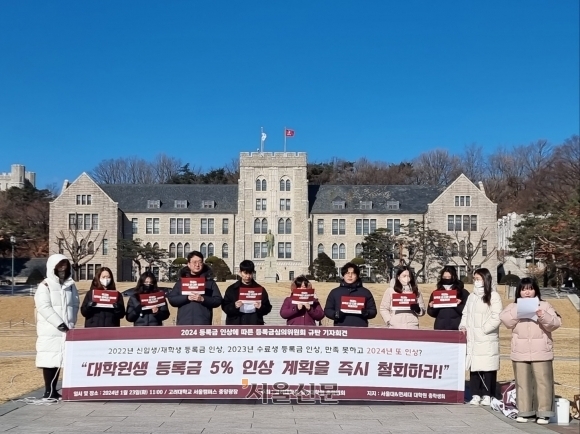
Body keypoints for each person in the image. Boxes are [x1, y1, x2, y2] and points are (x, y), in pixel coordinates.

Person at [500, 278, 561, 424]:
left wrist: (542, 315)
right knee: (522, 382)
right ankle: (525, 411)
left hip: (541, 350)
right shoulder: (512, 306)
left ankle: (544, 413)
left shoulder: (545, 305)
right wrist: (518, 310)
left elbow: (556, 323)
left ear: (535, 290)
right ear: (519, 292)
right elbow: (506, 321)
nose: (527, 292)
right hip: (520, 351)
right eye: (523, 289)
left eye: (530, 288)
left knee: (543, 382)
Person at [34, 253, 79, 400]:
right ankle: (48, 390)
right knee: (49, 360)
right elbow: (44, 307)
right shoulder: (45, 286)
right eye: (60, 265)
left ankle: (54, 390)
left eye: (65, 265)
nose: (63, 268)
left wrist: (71, 321)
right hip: (51, 329)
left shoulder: (70, 285)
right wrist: (59, 323)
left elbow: (75, 304)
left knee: (60, 360)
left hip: (66, 329)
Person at [459, 268, 502, 406]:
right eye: (475, 279)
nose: (476, 281)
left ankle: (488, 394)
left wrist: (484, 329)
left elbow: (497, 316)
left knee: (488, 366)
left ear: (485, 279)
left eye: (478, 278)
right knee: (474, 366)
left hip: (486, 337)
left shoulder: (493, 296)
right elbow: (466, 313)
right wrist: (463, 326)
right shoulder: (472, 296)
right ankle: (476, 393)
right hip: (473, 337)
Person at [167, 251, 223, 325]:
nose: (197, 265)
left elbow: (218, 300)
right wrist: (187, 298)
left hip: (203, 323)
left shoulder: (209, 282)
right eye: (194, 262)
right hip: (184, 323)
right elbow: (172, 299)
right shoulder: (181, 282)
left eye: (200, 262)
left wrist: (203, 299)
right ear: (189, 264)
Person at [324, 262, 377, 327]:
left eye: (353, 273)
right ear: (343, 276)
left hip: (360, 328)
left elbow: (373, 311)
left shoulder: (365, 292)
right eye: (347, 273)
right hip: (341, 327)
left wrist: (367, 313)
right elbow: (327, 310)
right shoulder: (335, 292)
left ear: (357, 276)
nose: (350, 276)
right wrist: (335, 314)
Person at [222, 260, 272, 325]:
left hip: (254, 324)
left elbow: (268, 308)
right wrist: (234, 306)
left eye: (250, 273)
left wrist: (261, 307)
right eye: (245, 273)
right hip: (236, 324)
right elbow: (225, 306)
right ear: (240, 272)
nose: (248, 276)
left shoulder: (260, 289)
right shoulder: (232, 289)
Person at [427, 265, 469, 330]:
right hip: (440, 327)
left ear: (454, 277)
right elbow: (431, 313)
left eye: (449, 277)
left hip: (457, 326)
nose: (447, 279)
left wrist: (457, 305)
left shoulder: (463, 292)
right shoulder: (436, 293)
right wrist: (433, 307)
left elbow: (467, 311)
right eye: (444, 277)